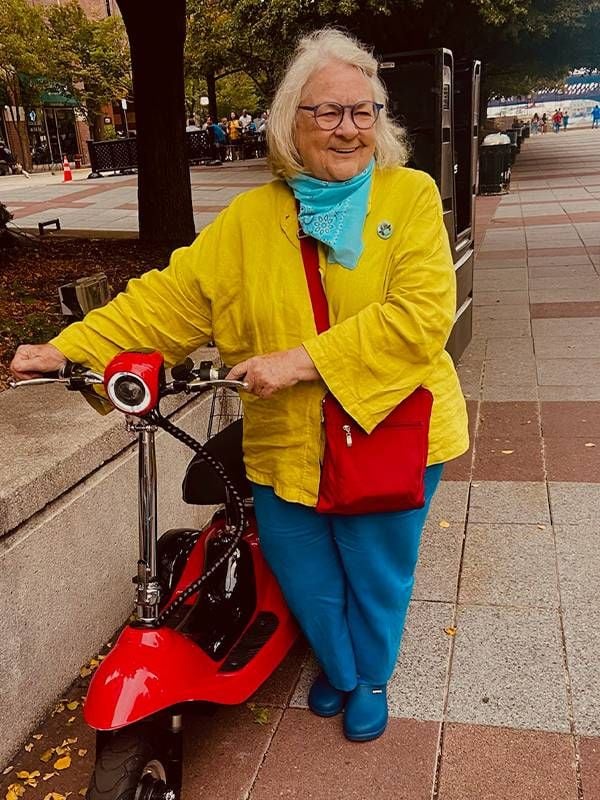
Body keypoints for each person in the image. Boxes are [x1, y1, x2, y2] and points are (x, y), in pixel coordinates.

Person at [10, 28, 468, 743]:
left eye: (362, 111)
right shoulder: (252, 220)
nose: (347, 129)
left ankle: (370, 676)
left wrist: (296, 360)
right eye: (328, 112)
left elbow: (421, 318)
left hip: (390, 431)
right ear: (292, 121)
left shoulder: (407, 196)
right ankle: (340, 669)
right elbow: (168, 300)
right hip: (285, 441)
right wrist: (67, 349)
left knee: (375, 574)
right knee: (304, 570)